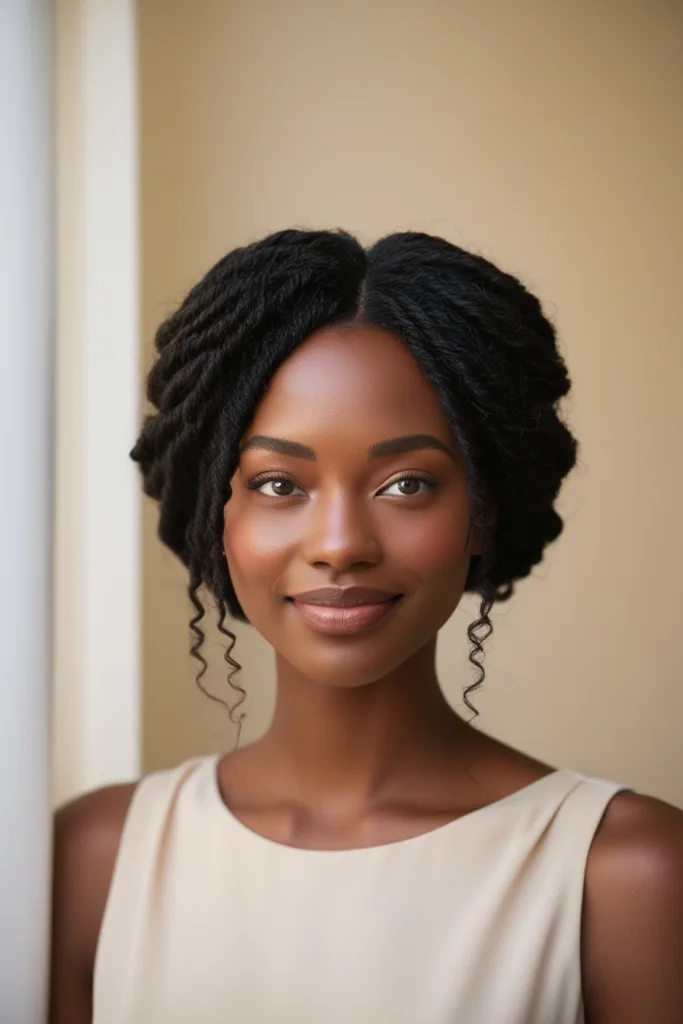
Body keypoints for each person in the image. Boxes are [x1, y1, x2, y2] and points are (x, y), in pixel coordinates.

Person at [50, 229, 683, 1024]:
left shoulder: (625, 874)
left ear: (482, 511)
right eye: (280, 483)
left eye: (407, 483)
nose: (341, 544)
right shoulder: (93, 861)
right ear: (218, 512)